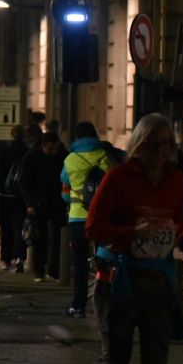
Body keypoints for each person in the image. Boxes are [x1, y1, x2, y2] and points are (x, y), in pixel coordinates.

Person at [77, 113, 183, 364]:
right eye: (154, 145)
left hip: (158, 283)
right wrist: (130, 234)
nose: (162, 151)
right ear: (139, 146)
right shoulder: (119, 178)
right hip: (119, 282)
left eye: (167, 145)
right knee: (117, 359)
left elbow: (176, 220)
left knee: (156, 361)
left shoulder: (175, 180)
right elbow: (93, 227)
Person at [60, 122, 115, 318]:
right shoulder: (104, 157)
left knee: (80, 263)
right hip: (101, 218)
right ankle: (105, 302)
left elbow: (65, 194)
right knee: (105, 261)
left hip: (77, 219)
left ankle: (78, 306)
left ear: (76, 138)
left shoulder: (70, 160)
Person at [19, 131, 67, 281]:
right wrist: (30, 203)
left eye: (55, 148)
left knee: (58, 237)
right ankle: (39, 270)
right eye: (50, 149)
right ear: (43, 146)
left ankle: (54, 270)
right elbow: (24, 181)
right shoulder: (32, 156)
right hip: (38, 202)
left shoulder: (63, 155)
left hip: (58, 202)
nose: (53, 152)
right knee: (40, 238)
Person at [0, 125, 28, 271]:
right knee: (20, 227)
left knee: (6, 228)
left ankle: (7, 259)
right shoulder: (27, 151)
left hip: (4, 195)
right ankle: (20, 257)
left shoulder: (5, 151)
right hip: (21, 196)